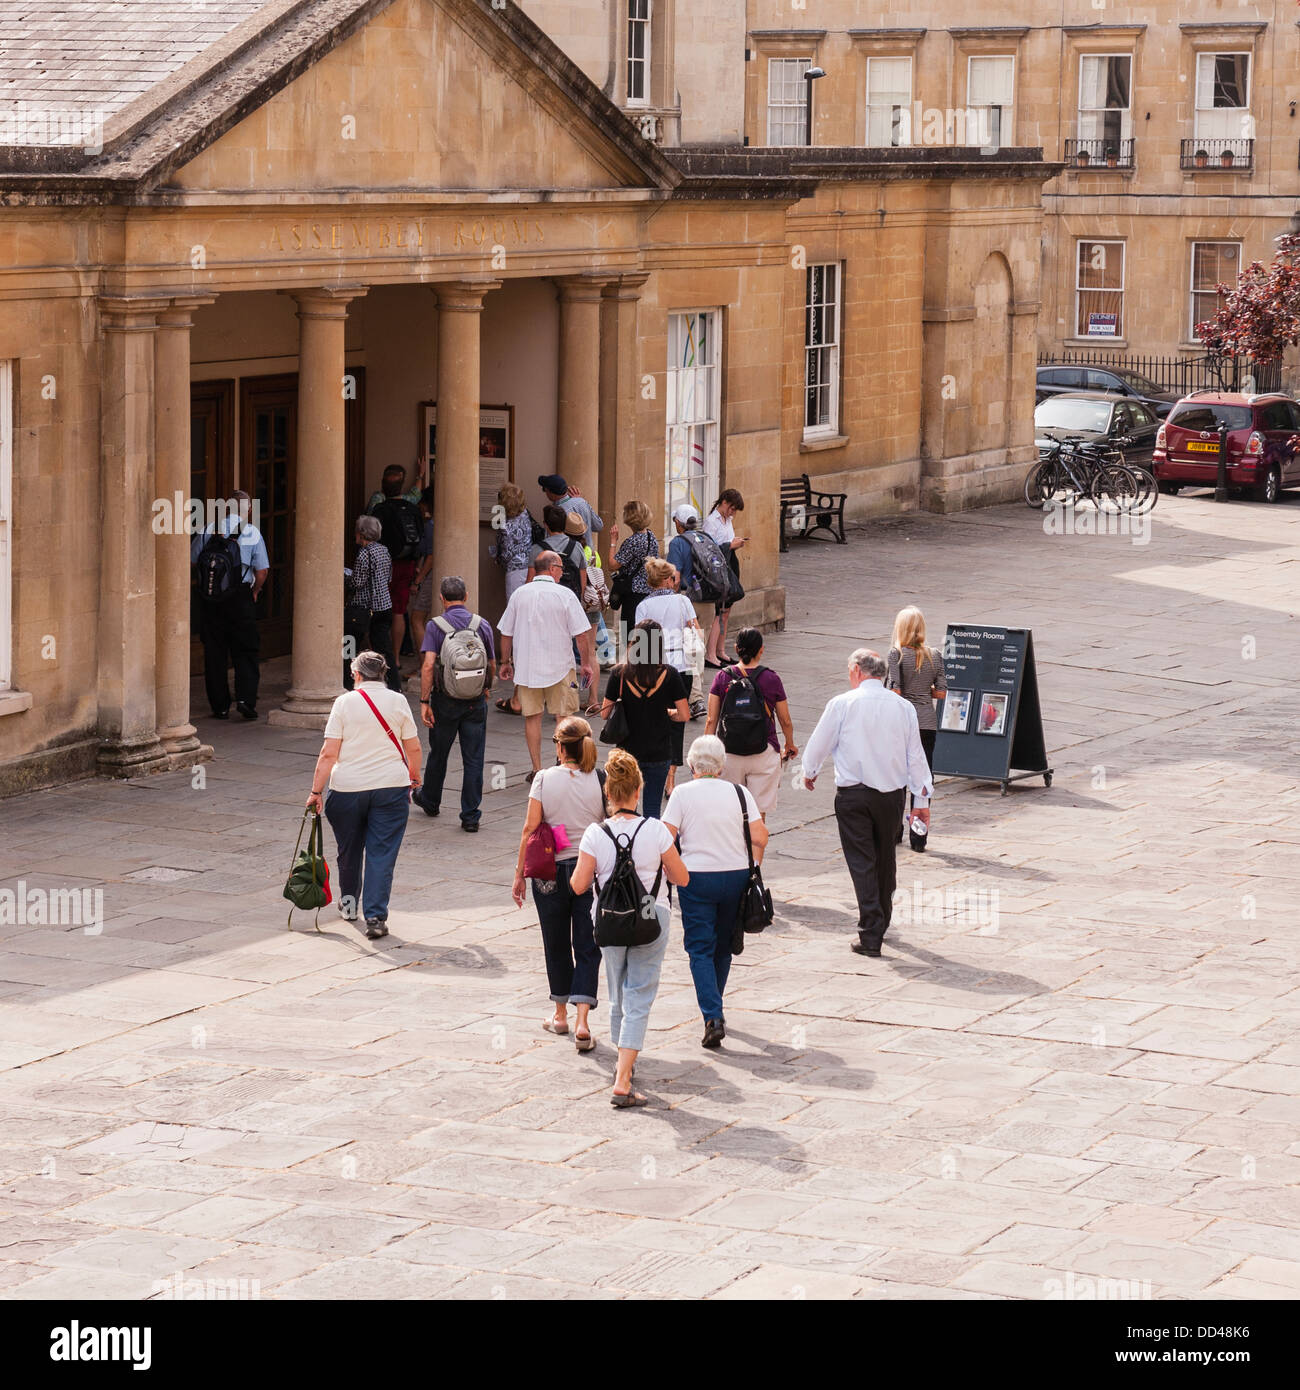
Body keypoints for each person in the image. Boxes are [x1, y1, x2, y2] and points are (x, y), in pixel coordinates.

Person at [570, 750, 689, 1107]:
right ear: (638, 791)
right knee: (640, 992)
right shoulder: (655, 831)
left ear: (608, 793)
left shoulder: (595, 833)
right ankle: (623, 1077)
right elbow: (681, 877)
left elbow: (577, 886)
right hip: (651, 916)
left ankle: (624, 1065)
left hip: (608, 920)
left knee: (618, 994)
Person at [800, 648, 933, 959]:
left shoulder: (842, 704)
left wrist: (809, 771)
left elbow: (819, 743)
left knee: (862, 861)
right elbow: (916, 755)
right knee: (885, 857)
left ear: (858, 671)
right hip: (891, 796)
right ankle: (880, 919)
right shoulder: (903, 708)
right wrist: (921, 799)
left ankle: (872, 929)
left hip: (854, 795)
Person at [306, 650, 421, 941]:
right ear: (383, 674)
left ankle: (348, 906)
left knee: (349, 849)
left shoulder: (343, 703)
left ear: (356, 674)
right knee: (381, 854)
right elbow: (414, 748)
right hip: (390, 787)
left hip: (347, 789)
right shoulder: (398, 701)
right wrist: (414, 776)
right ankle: (375, 917)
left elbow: (329, 753)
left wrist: (316, 791)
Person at [662, 734, 767, 1049]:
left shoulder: (681, 794)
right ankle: (715, 1008)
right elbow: (760, 836)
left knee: (699, 947)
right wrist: (754, 866)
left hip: (696, 878)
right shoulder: (740, 793)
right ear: (721, 766)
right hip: (735, 875)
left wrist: (671, 872)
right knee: (723, 945)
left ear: (692, 765)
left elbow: (665, 839)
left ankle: (712, 1014)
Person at [512, 716, 606, 1051]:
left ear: (559, 746)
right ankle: (583, 1021)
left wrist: (519, 874)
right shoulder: (600, 777)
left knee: (555, 941)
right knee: (587, 943)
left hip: (550, 870)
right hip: (588, 870)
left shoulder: (543, 779)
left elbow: (530, 828)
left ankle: (560, 1014)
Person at [498, 552, 596, 780]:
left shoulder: (519, 595)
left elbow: (506, 632)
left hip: (527, 669)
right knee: (565, 716)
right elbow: (581, 635)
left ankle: (536, 769)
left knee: (532, 717)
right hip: (561, 667)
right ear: (552, 568)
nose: (562, 572)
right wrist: (587, 664)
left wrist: (506, 661)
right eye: (561, 568)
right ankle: (562, 763)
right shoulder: (565, 595)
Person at [415, 577, 495, 831]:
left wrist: (424, 700)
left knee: (439, 752)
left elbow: (428, 665)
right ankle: (470, 816)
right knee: (473, 759)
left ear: (441, 598)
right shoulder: (481, 624)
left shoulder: (435, 626)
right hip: (474, 702)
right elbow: (491, 663)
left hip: (445, 700)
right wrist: (485, 688)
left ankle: (430, 801)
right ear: (467, 596)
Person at [191, 490, 268, 720]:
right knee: (245, 650)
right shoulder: (253, 533)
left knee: (215, 652)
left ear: (226, 508)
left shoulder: (208, 530)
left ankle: (220, 705)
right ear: (249, 510)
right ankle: (245, 699)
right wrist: (255, 591)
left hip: (212, 599)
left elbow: (192, 560)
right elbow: (262, 571)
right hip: (240, 597)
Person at [600, 619, 689, 819]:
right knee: (652, 811)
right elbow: (684, 714)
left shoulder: (619, 674)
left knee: (624, 809)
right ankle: (650, 846)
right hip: (659, 752)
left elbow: (605, 713)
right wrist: (668, 713)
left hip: (626, 753)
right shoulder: (670, 674)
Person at [634, 557, 705, 796]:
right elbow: (695, 631)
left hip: (654, 668)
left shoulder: (643, 606)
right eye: (673, 578)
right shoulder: (682, 601)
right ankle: (671, 778)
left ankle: (653, 768)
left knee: (652, 720)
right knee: (677, 724)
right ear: (666, 580)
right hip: (681, 666)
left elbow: (640, 643)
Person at [706, 626, 796, 815]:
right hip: (763, 750)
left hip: (729, 753)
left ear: (737, 648)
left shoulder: (722, 677)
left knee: (731, 813)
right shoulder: (772, 678)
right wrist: (789, 743)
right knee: (757, 814)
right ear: (761, 649)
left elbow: (711, 719)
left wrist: (707, 753)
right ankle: (755, 845)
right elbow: (785, 720)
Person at [886, 606, 946, 853]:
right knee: (923, 776)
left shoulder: (896, 654)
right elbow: (941, 692)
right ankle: (919, 836)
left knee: (898, 776)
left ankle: (895, 831)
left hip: (902, 722)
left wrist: (909, 691)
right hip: (927, 723)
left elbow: (896, 691)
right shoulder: (935, 655)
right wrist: (923, 692)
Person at [369, 465, 425, 666]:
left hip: (385, 565)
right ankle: (395, 658)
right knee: (399, 611)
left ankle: (381, 656)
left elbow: (372, 539)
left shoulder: (379, 509)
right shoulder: (412, 507)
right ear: (402, 485)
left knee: (378, 610)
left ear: (383, 485)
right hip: (407, 565)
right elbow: (420, 538)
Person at [492, 482, 536, 716]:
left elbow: (504, 550)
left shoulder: (504, 522)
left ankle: (512, 659)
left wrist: (495, 554)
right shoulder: (525, 515)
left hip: (514, 571)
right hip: (529, 568)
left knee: (515, 618)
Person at [347, 516, 400, 691]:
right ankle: (394, 686)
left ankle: (348, 684)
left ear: (362, 534)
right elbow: (389, 577)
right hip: (384, 606)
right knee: (384, 650)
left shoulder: (364, 553)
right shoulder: (384, 550)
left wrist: (347, 576)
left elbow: (357, 582)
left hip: (364, 609)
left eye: (356, 531)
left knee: (349, 646)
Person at [702, 489, 747, 667]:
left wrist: (734, 542)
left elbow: (726, 542)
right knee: (718, 612)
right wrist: (731, 545)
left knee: (726, 612)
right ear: (725, 502)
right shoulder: (711, 522)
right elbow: (709, 551)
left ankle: (720, 651)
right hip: (719, 568)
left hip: (730, 563)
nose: (733, 513)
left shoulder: (727, 520)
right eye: (732, 509)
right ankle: (710, 654)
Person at [606, 499, 660, 637]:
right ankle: (650, 658)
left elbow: (612, 565)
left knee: (630, 635)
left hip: (633, 593)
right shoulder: (650, 536)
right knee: (649, 632)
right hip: (649, 590)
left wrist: (613, 541)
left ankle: (631, 658)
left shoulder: (632, 542)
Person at [406, 487, 436, 671]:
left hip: (429, 576)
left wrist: (418, 580)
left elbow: (432, 557)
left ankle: (425, 665)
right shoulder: (432, 524)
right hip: (429, 574)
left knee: (417, 618)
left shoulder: (431, 526)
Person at [538, 473, 602, 549]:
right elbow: (598, 526)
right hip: (589, 556)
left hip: (570, 558)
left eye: (545, 490)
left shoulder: (556, 513)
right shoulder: (582, 502)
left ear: (550, 492)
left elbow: (550, 543)